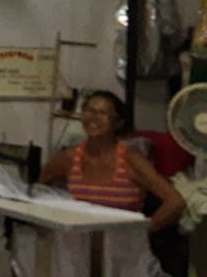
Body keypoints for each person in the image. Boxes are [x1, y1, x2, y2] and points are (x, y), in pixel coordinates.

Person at [38, 90, 186, 231]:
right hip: (79, 244)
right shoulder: (69, 157)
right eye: (89, 111)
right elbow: (39, 190)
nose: (94, 117)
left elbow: (175, 202)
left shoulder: (130, 159)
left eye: (103, 113)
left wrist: (142, 231)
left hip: (122, 244)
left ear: (118, 123)